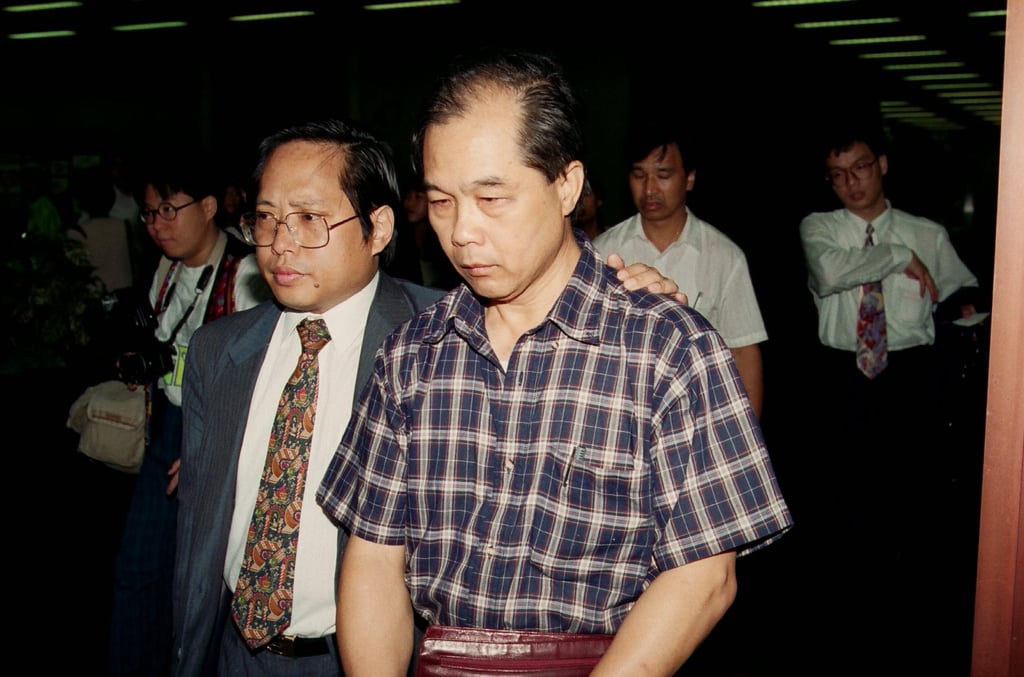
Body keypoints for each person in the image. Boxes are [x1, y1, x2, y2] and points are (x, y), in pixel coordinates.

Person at [316, 50, 793, 676]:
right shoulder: (413, 355)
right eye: (440, 202)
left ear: (566, 185)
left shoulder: (668, 348)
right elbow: (375, 557)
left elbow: (705, 577)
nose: (461, 232)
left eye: (492, 198)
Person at [171, 118, 683, 677]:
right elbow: (200, 532)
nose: (280, 243)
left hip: (368, 655)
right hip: (231, 654)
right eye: (266, 219)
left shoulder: (442, 340)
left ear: (379, 227)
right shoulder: (217, 352)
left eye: (310, 219)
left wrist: (629, 291)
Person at [797, 123, 983, 674]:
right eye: (837, 176)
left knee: (912, 511)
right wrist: (898, 257)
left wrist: (966, 315)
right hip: (841, 381)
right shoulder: (819, 227)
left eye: (859, 168)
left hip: (910, 380)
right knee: (844, 514)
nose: (850, 183)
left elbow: (959, 295)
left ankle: (912, 638)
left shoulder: (929, 232)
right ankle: (848, 637)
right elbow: (831, 273)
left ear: (882, 164)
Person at [108, 155, 268, 677]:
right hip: (167, 428)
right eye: (150, 213)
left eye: (169, 210)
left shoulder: (244, 273)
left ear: (207, 207)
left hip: (213, 434)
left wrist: (213, 448)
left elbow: (255, 376)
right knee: (140, 569)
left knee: (197, 576)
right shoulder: (167, 268)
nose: (158, 225)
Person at [592, 120, 768, 419]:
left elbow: (743, 352)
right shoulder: (602, 251)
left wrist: (746, 430)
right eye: (638, 175)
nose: (649, 189)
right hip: (619, 414)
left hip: (699, 413)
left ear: (689, 179)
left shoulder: (724, 256)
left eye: (663, 175)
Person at [574, 173, 606, 240]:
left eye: (586, 194)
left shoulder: (613, 239)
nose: (579, 201)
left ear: (599, 200)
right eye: (576, 195)